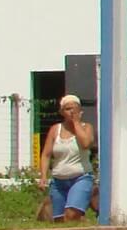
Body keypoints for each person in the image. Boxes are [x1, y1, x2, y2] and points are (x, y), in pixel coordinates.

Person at [36, 94, 96, 222]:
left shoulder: (87, 127)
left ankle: (80, 219)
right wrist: (43, 176)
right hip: (59, 180)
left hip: (80, 177)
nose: (71, 112)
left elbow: (86, 144)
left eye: (74, 109)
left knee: (71, 214)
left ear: (80, 111)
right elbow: (46, 154)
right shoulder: (55, 130)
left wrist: (76, 123)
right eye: (68, 109)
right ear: (62, 112)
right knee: (60, 220)